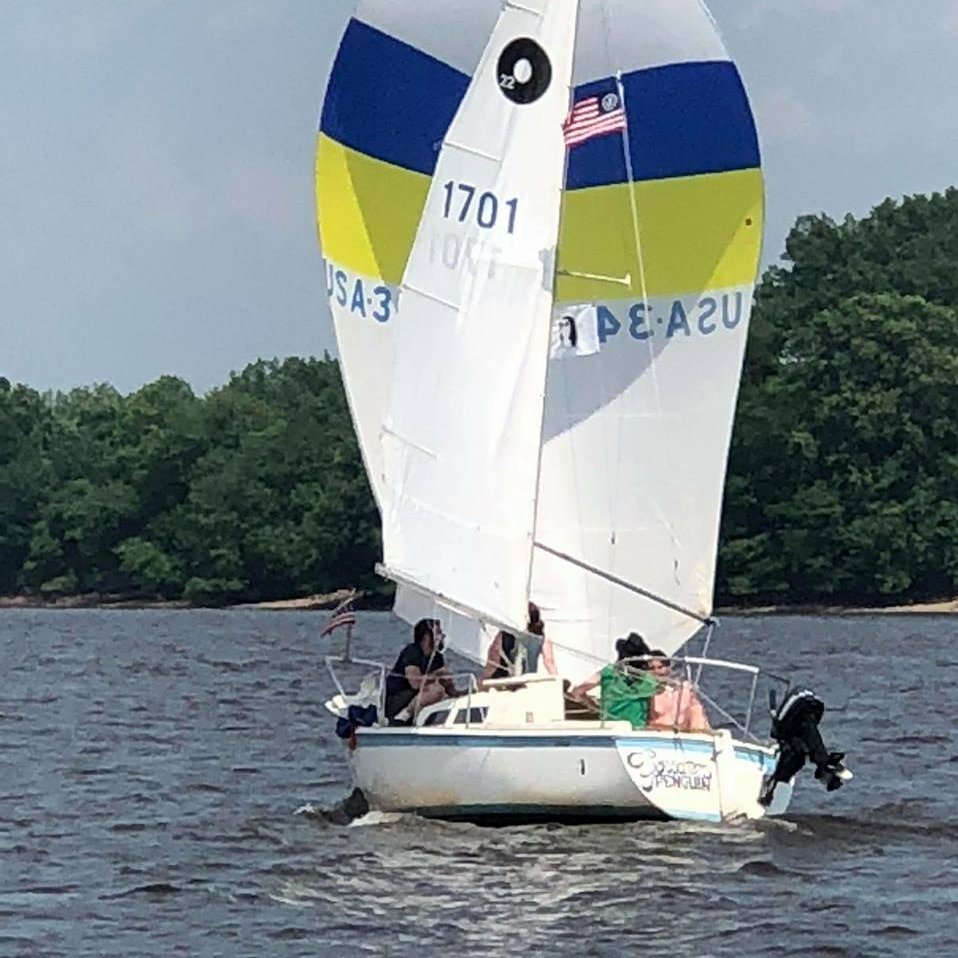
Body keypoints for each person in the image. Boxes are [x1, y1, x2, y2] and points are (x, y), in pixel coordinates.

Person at [569, 632, 657, 729]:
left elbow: (577, 691)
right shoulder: (649, 681)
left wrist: (591, 705)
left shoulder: (607, 673)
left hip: (610, 728)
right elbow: (652, 714)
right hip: (637, 730)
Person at [384, 618, 458, 722]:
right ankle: (402, 717)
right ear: (427, 636)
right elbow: (415, 683)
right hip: (397, 698)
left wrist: (458, 693)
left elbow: (447, 685)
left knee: (440, 690)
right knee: (436, 691)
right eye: (438, 633)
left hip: (417, 697)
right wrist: (437, 674)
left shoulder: (437, 657)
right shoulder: (412, 652)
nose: (442, 637)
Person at [478, 602, 557, 686]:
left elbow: (494, 656)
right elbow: (549, 662)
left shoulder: (505, 633)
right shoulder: (542, 638)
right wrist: (556, 681)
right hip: (527, 682)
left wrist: (483, 678)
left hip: (503, 680)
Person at [645, 650, 711, 732]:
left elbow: (697, 712)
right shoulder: (646, 690)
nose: (656, 671)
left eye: (660, 667)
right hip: (657, 732)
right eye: (651, 668)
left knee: (696, 711)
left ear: (669, 668)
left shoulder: (684, 689)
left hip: (683, 732)